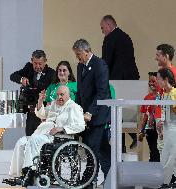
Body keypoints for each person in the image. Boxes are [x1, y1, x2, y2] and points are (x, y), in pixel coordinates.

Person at [7, 85, 86, 186]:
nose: (59, 97)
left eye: (62, 94)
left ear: (68, 95)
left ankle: (30, 174)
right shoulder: (54, 104)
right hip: (44, 135)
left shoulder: (74, 107)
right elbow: (42, 114)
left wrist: (62, 128)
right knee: (21, 141)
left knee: (34, 140)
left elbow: (80, 126)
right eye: (57, 95)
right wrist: (40, 101)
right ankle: (19, 174)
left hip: (60, 138)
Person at [72, 38, 111, 188]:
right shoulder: (80, 66)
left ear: (87, 51)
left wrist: (90, 112)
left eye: (79, 54)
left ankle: (89, 181)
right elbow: (80, 92)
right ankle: (111, 178)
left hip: (97, 115)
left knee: (91, 147)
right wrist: (76, 110)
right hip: (85, 115)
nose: (77, 58)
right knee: (102, 149)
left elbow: (102, 92)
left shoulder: (99, 65)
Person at [100, 15, 139, 151]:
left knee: (117, 113)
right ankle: (133, 136)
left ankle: (121, 149)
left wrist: (100, 75)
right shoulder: (126, 36)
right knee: (126, 113)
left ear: (109, 25)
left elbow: (106, 61)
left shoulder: (110, 38)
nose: (102, 31)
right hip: (132, 80)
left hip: (117, 81)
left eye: (102, 28)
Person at [10, 50, 55, 136]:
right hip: (30, 112)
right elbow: (12, 76)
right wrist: (21, 79)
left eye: (40, 63)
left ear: (45, 61)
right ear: (32, 60)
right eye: (35, 63)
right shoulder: (28, 67)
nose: (37, 66)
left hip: (43, 112)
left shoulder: (51, 73)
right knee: (29, 138)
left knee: (42, 139)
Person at [156, 68, 176, 187]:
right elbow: (164, 111)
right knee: (166, 156)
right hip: (167, 128)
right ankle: (167, 181)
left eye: (159, 79)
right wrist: (161, 124)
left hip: (174, 129)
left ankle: (166, 182)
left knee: (170, 156)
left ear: (166, 79)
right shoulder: (164, 94)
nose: (157, 81)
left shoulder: (174, 93)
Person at [138, 72, 161, 162]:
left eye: (153, 81)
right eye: (149, 81)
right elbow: (145, 116)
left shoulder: (163, 96)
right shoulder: (147, 97)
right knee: (153, 150)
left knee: (158, 151)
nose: (151, 83)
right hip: (150, 129)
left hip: (160, 128)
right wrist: (141, 130)